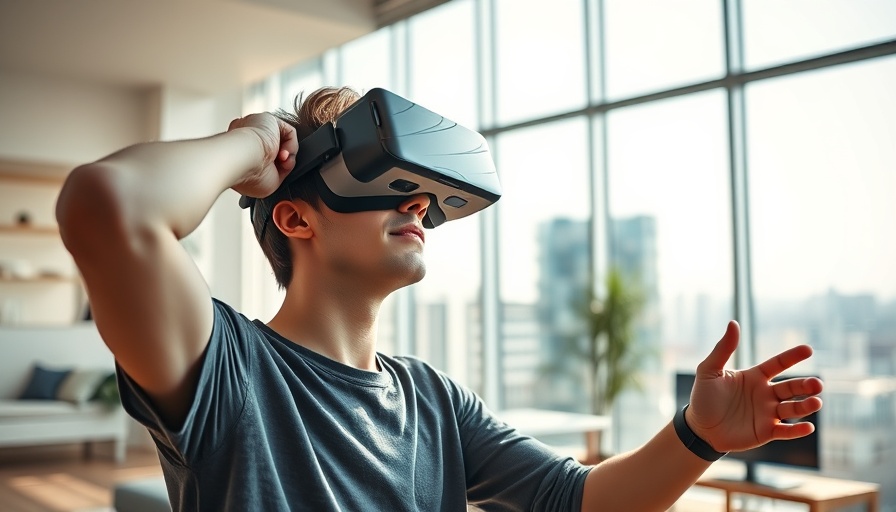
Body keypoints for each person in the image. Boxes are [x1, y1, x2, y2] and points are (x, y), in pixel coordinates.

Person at [56, 86, 823, 512]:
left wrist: (697, 435)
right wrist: (258, 146)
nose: (418, 207)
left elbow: (576, 501)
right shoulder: (226, 369)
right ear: (295, 216)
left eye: (424, 196)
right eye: (387, 185)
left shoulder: (433, 399)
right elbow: (105, 205)